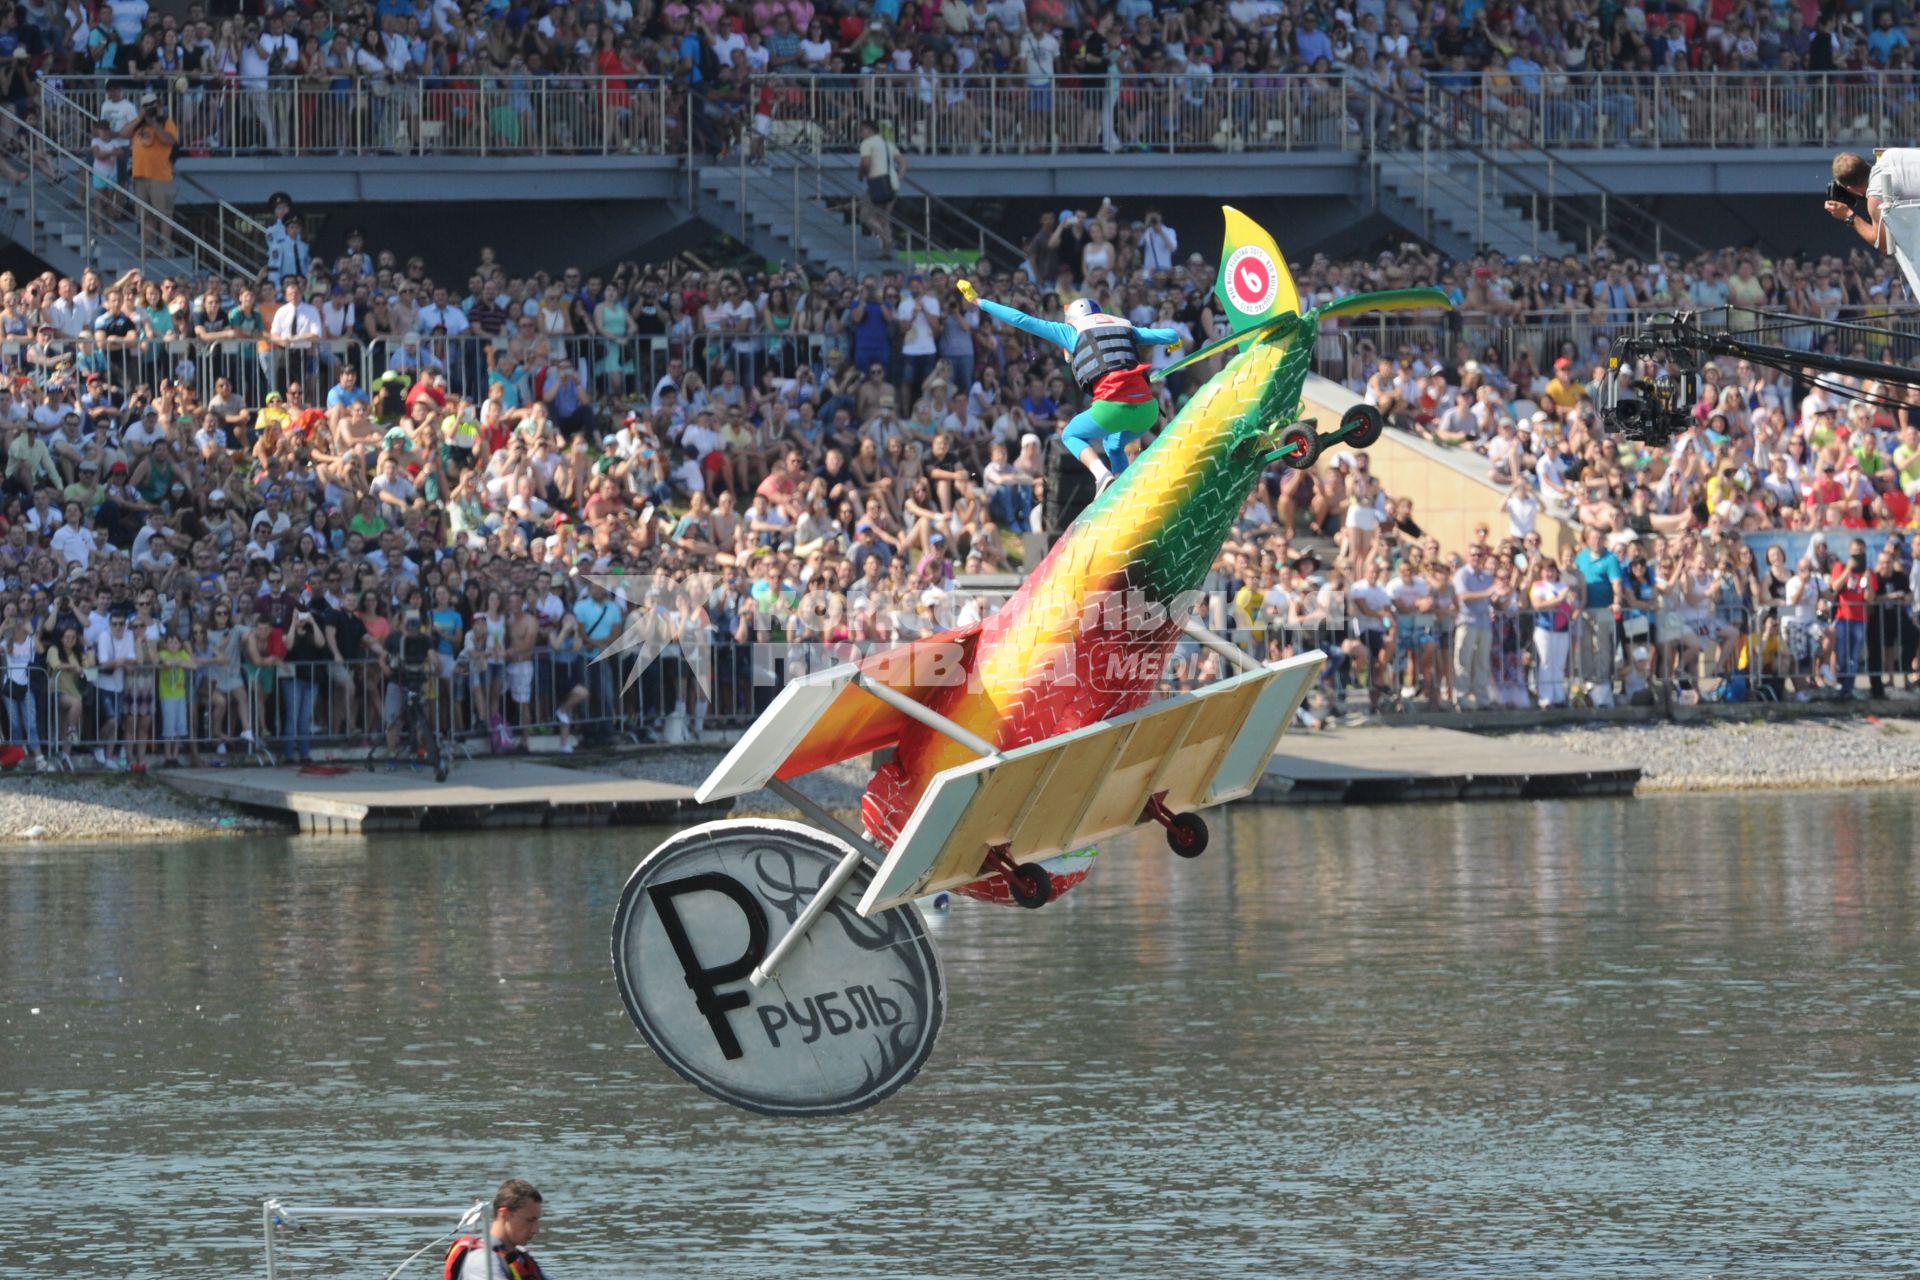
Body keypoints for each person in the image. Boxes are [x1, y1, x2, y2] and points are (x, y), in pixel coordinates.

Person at [957, 278, 1181, 493]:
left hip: (1112, 409)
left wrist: (979, 302)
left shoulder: (1070, 330)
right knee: (1113, 445)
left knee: (1070, 435)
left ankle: (1102, 476)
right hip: (1147, 412)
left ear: (1072, 318)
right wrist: (1174, 343)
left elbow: (1021, 320)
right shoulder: (1126, 326)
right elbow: (1171, 334)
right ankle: (1124, 487)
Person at [1829, 149, 1920, 297]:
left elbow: (1882, 243)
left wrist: (1848, 215)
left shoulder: (1876, 195)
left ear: (1850, 189)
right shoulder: (1890, 154)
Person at [448, 1179, 549, 1280]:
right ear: (504, 1214)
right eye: (529, 1220)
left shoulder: (521, 1257)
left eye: (536, 1221)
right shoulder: (483, 1260)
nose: (536, 1230)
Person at [856, 119, 902, 253]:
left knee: (865, 216)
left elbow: (866, 163)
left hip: (878, 184)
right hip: (892, 184)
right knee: (884, 219)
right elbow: (903, 162)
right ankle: (886, 252)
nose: (860, 133)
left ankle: (887, 239)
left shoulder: (867, 143)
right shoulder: (887, 144)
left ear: (869, 130)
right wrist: (898, 178)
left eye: (862, 130)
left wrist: (860, 175)